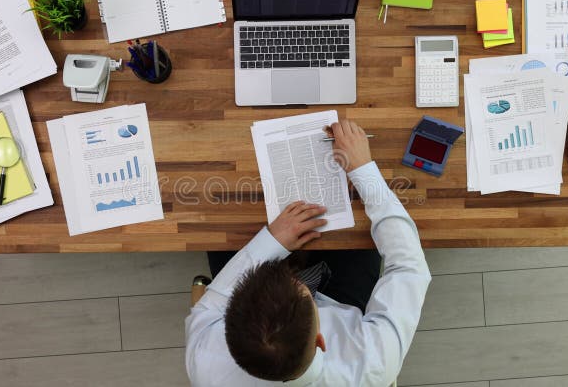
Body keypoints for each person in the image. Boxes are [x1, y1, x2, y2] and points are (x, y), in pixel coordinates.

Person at [185, 120, 431, 386]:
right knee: (356, 230)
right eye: (300, 287)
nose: (297, 276)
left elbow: (210, 306)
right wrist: (362, 170)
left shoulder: (206, 361)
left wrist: (271, 241)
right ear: (320, 340)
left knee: (224, 217)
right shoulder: (372, 362)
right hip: (339, 297)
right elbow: (409, 266)